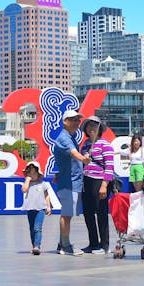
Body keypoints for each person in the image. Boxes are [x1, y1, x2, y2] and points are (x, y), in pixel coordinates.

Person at [52, 109, 91, 256]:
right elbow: (73, 153)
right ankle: (65, 246)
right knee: (66, 215)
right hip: (68, 183)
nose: (77, 122)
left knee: (68, 214)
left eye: (78, 120)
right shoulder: (64, 138)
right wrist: (84, 159)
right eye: (73, 120)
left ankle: (62, 243)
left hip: (72, 181)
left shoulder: (71, 137)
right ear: (65, 122)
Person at [80, 115, 114, 254]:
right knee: (88, 213)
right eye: (89, 126)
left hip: (99, 181)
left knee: (101, 213)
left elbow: (110, 166)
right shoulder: (85, 145)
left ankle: (104, 245)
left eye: (94, 126)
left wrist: (104, 185)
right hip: (87, 181)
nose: (91, 128)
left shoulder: (105, 144)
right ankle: (93, 243)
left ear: (99, 128)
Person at [21, 161, 52, 255]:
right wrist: (27, 180)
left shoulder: (43, 184)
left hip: (40, 208)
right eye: (30, 173)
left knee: (37, 228)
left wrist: (48, 206)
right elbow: (23, 190)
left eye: (34, 172)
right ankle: (33, 245)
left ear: (38, 173)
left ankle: (37, 246)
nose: (32, 175)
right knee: (31, 228)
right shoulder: (28, 183)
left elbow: (46, 195)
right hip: (30, 208)